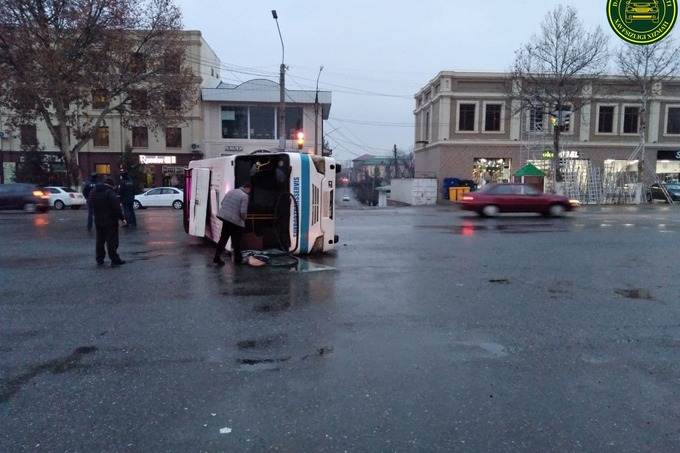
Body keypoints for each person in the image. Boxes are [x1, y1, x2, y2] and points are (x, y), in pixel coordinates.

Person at [88, 178, 127, 267]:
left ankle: (99, 259)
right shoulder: (110, 193)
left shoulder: (93, 192)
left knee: (100, 241)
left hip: (98, 220)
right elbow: (116, 207)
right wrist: (122, 218)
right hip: (110, 220)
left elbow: (90, 203)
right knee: (111, 241)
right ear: (111, 185)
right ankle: (114, 259)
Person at [214, 182, 251, 266]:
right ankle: (238, 259)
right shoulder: (244, 196)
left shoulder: (231, 191)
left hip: (226, 219)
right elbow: (243, 212)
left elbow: (222, 203)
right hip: (235, 222)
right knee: (236, 240)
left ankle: (216, 257)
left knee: (223, 239)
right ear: (248, 188)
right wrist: (244, 219)